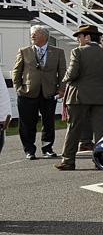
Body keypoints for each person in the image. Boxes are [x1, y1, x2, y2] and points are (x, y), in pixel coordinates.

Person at [56, 24, 103, 170]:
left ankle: (68, 161)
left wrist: (63, 80)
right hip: (100, 96)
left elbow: (72, 73)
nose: (78, 40)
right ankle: (100, 161)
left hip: (78, 96)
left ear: (88, 37)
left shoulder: (77, 52)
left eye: (79, 37)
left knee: (73, 129)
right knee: (100, 130)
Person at [12, 25, 67, 159]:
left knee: (48, 122)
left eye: (35, 34)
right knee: (27, 123)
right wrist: (19, 88)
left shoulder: (58, 52)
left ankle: (47, 148)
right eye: (32, 34)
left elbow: (63, 73)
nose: (32, 37)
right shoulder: (24, 51)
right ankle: (29, 150)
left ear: (45, 36)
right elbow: (16, 71)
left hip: (49, 92)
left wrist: (61, 89)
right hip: (27, 92)